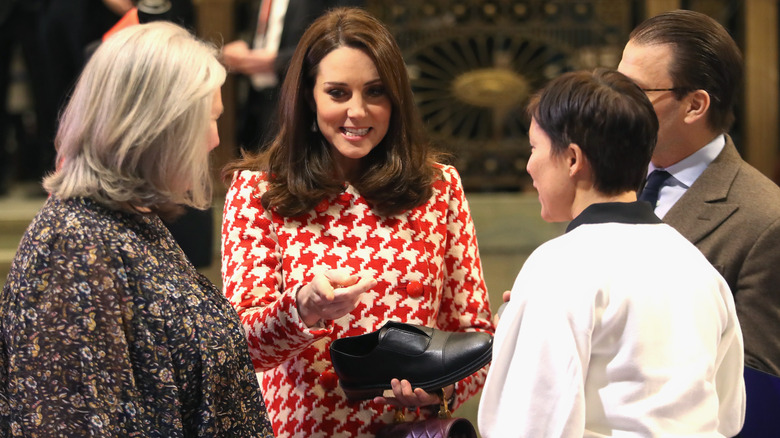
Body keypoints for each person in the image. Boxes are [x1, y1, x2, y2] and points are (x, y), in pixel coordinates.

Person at [221, 7, 493, 437]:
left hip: (407, 429)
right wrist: (302, 309)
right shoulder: (259, 192)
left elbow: (474, 338)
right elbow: (240, 346)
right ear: (308, 97)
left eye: (375, 92)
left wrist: (438, 391)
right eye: (337, 93)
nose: (358, 112)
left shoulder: (438, 187)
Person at [0, 22, 274, 437]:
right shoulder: (74, 246)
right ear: (154, 126)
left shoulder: (134, 218)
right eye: (206, 119)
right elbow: (75, 421)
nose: (215, 139)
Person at [478, 69, 745, 437]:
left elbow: (528, 425)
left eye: (534, 148)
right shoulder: (698, 266)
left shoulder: (558, 267)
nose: (529, 167)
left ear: (572, 159)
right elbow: (727, 414)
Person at [617, 9, 780, 376]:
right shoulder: (609, 176)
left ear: (694, 105)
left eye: (635, 91)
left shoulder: (765, 220)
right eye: (616, 84)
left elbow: (755, 379)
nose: (616, 103)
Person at [220, 0, 363, 152]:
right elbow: (264, 37)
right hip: (256, 102)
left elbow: (339, 38)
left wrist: (277, 62)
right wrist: (244, 46)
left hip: (296, 100)